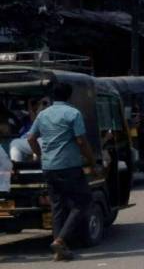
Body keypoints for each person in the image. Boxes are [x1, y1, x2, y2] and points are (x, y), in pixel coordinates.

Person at [27, 83, 97, 262]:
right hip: (69, 166)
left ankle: (59, 250)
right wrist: (91, 160)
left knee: (57, 207)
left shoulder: (43, 114)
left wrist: (40, 154)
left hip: (49, 167)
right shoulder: (73, 113)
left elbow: (31, 138)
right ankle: (60, 239)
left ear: (53, 97)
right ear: (69, 96)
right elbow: (81, 141)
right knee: (83, 201)